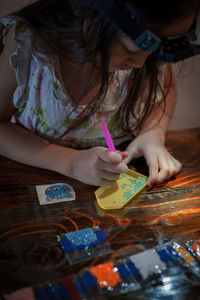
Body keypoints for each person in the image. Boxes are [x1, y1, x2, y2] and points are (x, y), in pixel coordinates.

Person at [0, 0, 199, 186]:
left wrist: (153, 133)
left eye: (156, 51)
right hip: (39, 181)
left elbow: (164, 88)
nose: (139, 63)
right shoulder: (28, 42)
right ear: (86, 9)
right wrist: (70, 162)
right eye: (130, 48)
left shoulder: (149, 48)